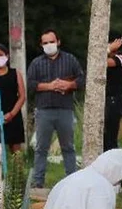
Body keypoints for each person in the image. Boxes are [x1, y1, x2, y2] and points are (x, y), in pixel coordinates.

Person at [26, 28, 85, 188]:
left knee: (68, 147)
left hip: (65, 109)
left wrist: (69, 84)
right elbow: (30, 84)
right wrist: (50, 86)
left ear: (58, 42)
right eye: (45, 43)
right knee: (41, 148)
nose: (49, 45)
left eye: (51, 41)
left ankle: (72, 180)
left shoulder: (70, 59)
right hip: (44, 110)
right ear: (41, 45)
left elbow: (81, 80)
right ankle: (38, 182)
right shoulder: (36, 63)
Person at [103, 32, 122, 152]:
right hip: (104, 99)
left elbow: (102, 63)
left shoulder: (121, 57)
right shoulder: (104, 56)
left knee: (111, 134)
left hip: (115, 100)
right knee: (103, 135)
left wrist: (108, 49)